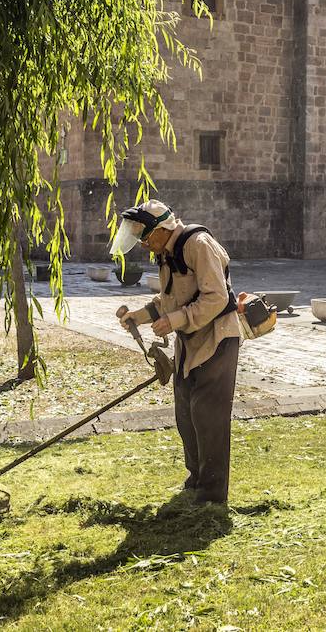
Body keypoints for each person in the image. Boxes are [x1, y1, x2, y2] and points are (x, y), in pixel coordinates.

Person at [113, 200, 243, 504]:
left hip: (217, 339)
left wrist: (176, 320)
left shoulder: (198, 244)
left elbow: (216, 298)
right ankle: (196, 477)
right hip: (189, 341)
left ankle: (211, 495)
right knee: (185, 411)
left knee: (207, 414)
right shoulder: (166, 254)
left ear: (161, 229)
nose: (143, 245)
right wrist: (139, 316)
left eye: (144, 237)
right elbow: (168, 299)